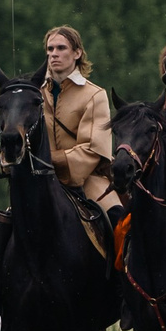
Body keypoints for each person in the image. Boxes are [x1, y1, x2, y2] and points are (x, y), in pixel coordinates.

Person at [41, 26, 119, 221]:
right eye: (50, 49)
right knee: (4, 227)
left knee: (119, 221)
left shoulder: (95, 95)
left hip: (87, 181)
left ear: (77, 53)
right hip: (39, 180)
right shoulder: (34, 95)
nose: (54, 55)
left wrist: (49, 160)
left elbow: (94, 150)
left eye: (61, 48)